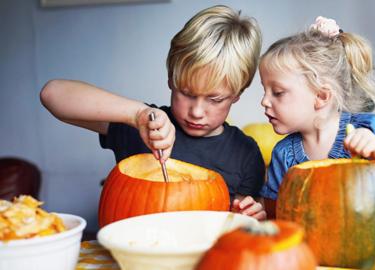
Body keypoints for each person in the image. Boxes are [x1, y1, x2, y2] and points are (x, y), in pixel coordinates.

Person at [40, 5, 266, 220]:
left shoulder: (246, 153)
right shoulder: (146, 125)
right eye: (186, 93)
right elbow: (52, 94)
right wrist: (136, 114)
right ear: (170, 79)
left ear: (238, 92)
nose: (197, 111)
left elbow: (244, 222)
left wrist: (248, 215)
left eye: (215, 99)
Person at [258, 16, 375, 246]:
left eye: (277, 92)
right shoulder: (283, 155)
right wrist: (257, 216)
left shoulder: (368, 129)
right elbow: (278, 220)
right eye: (264, 91)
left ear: (321, 97)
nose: (264, 101)